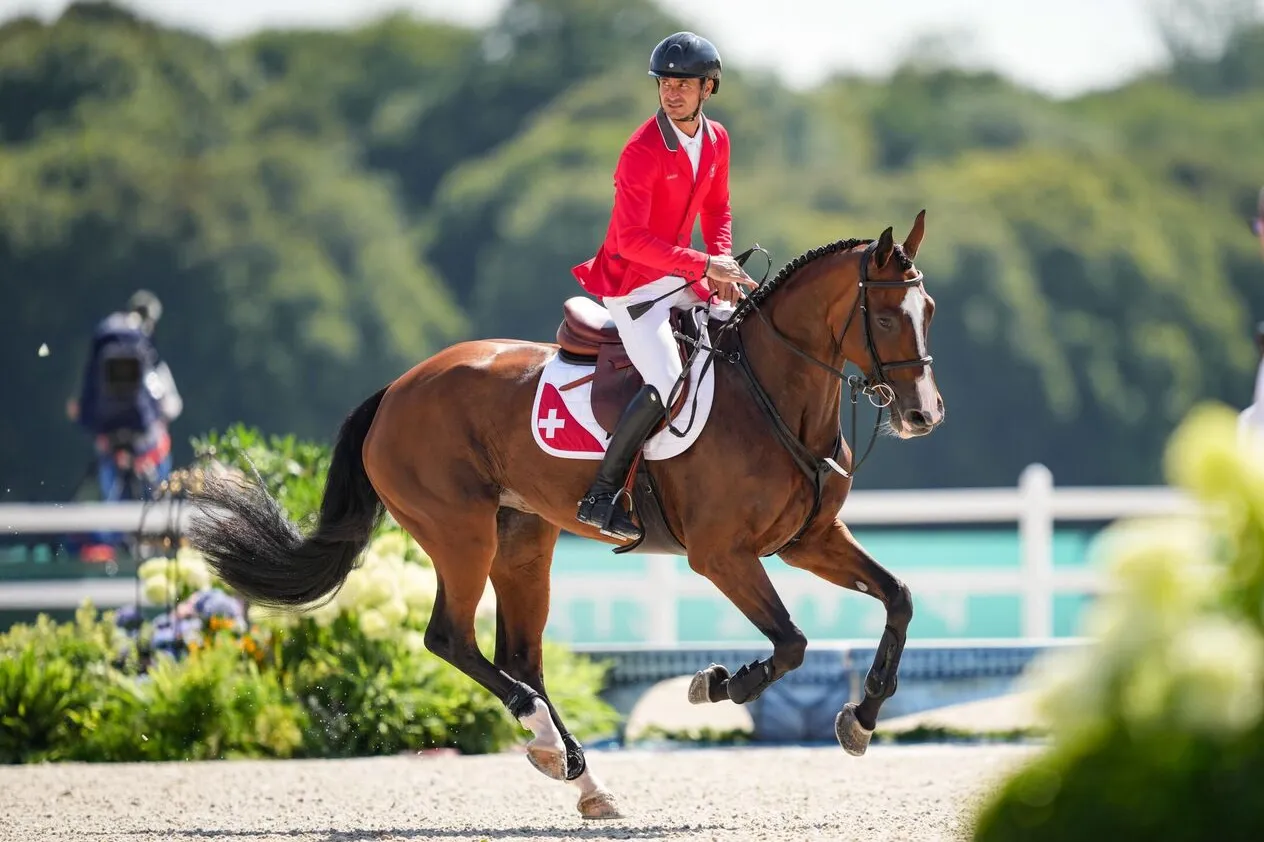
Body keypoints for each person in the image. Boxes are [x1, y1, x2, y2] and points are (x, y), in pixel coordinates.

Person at [571, 31, 756, 541]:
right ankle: (601, 493)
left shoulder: (717, 139)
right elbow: (630, 241)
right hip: (633, 288)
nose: (672, 92)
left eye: (684, 84)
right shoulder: (641, 151)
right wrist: (703, 267)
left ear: (708, 88)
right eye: (665, 83)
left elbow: (718, 208)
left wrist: (718, 263)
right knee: (671, 378)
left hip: (678, 275)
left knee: (743, 333)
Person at [68, 289, 183, 560]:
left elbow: (85, 397)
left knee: (112, 504)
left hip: (110, 441)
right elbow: (170, 406)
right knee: (157, 503)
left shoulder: (105, 344)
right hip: (147, 448)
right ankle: (155, 551)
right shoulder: (152, 361)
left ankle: (112, 551)